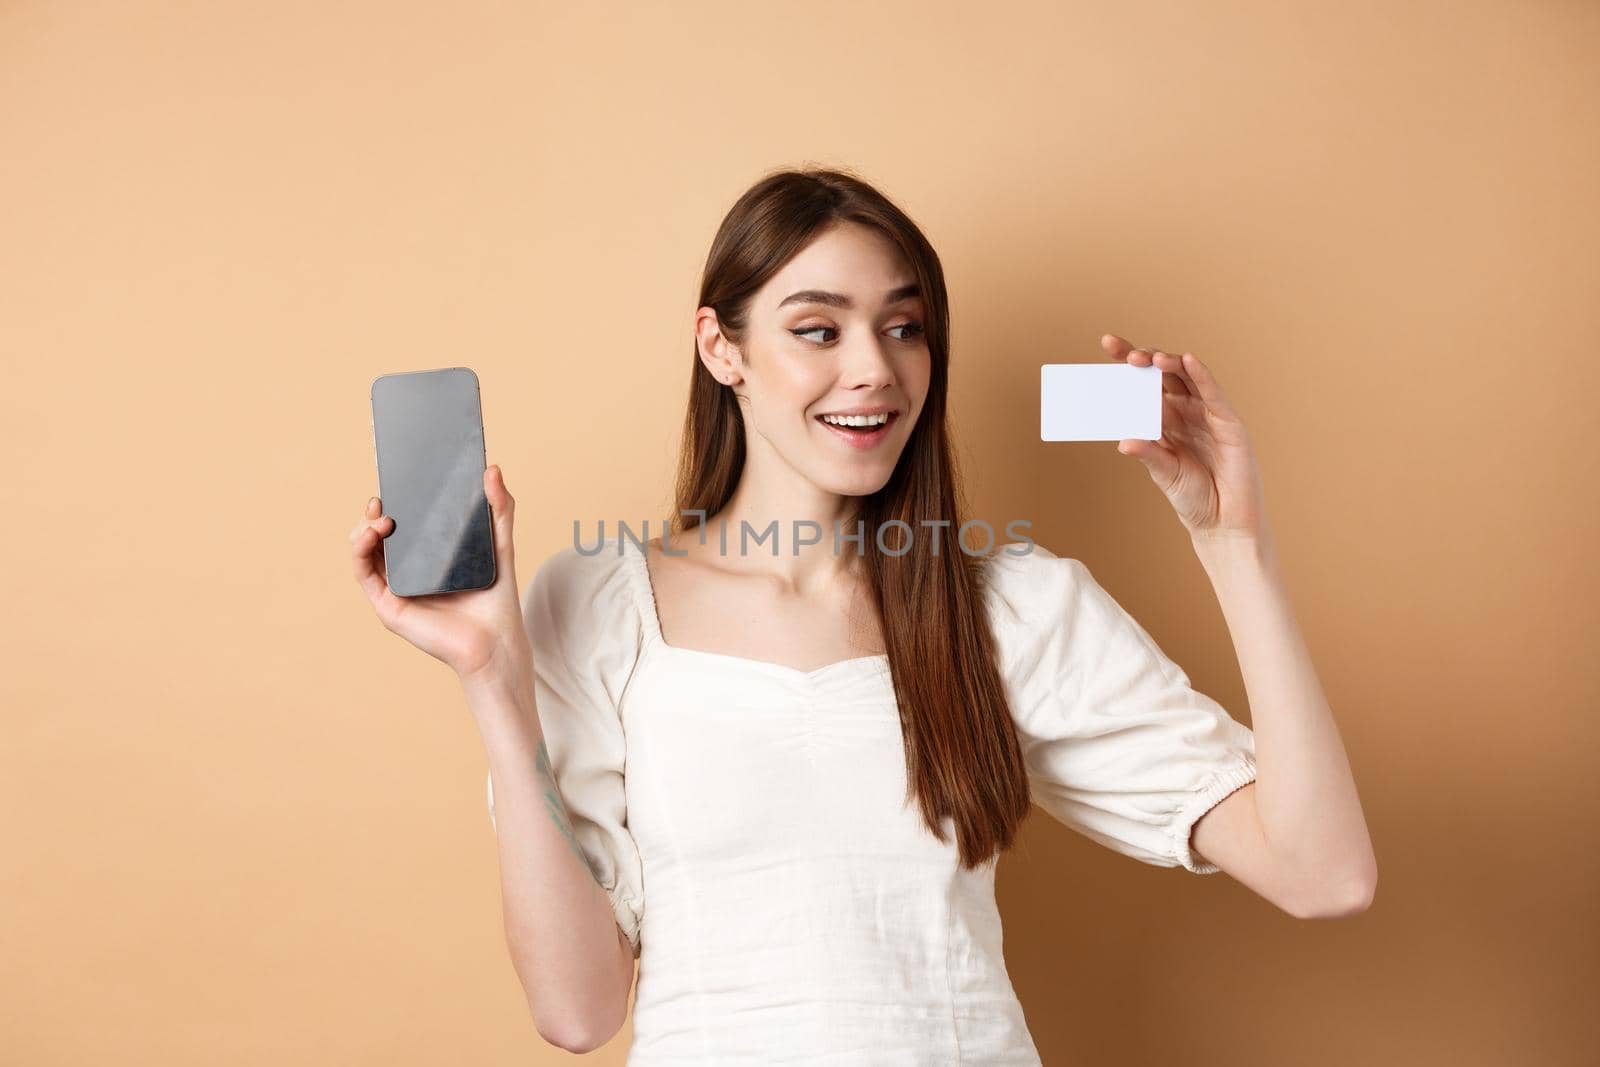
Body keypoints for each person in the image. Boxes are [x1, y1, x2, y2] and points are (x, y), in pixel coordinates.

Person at [348, 166, 1376, 1063]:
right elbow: (574, 1010)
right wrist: (494, 677)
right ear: (722, 348)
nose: (875, 368)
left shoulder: (1008, 603)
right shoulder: (597, 602)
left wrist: (1231, 541)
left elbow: (1320, 871)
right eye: (816, 329)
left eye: (903, 326)